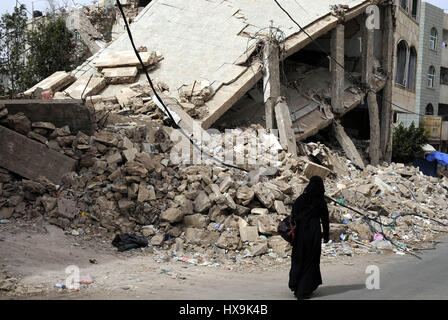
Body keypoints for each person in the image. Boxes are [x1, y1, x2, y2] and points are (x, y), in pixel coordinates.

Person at [288, 175, 329, 299]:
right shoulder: (320, 201)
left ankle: (295, 284)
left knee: (298, 259)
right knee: (311, 261)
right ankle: (304, 289)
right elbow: (325, 220)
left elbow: (293, 215)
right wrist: (326, 235)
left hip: (300, 235)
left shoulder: (301, 199)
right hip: (313, 234)